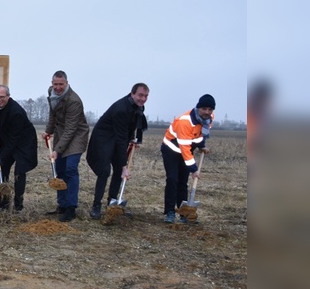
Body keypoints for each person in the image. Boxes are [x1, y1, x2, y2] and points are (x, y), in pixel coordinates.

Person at [86, 83, 149, 220]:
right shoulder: (121, 109)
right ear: (132, 94)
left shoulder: (137, 106)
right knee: (105, 171)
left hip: (117, 137)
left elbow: (133, 125)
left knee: (118, 172)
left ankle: (112, 203)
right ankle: (96, 206)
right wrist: (124, 165)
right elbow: (121, 139)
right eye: (140, 95)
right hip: (103, 138)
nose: (143, 99)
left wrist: (134, 139)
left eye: (145, 96)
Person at [43, 71, 90, 221]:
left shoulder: (74, 101)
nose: (57, 87)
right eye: (55, 84)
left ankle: (71, 208)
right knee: (60, 170)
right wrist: (48, 131)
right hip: (61, 134)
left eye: (61, 84)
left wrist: (57, 150)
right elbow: (53, 114)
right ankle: (61, 205)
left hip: (76, 136)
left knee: (70, 169)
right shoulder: (52, 93)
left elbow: (71, 129)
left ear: (67, 83)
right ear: (52, 83)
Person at [161, 94, 215, 223]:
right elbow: (185, 148)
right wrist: (193, 169)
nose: (207, 112)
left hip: (186, 150)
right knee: (173, 179)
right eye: (204, 109)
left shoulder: (209, 118)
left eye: (210, 109)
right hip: (171, 150)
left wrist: (202, 145)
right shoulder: (185, 122)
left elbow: (200, 133)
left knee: (183, 182)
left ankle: (184, 213)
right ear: (198, 108)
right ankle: (170, 212)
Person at [0, 84, 38, 212]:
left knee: (19, 173)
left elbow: (13, 139)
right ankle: (3, 205)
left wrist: (2, 156)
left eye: (2, 97)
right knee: (1, 169)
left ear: (8, 96)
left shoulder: (16, 112)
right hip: (9, 140)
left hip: (24, 143)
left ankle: (18, 206)